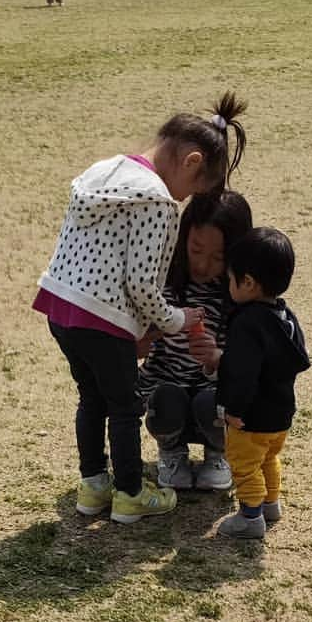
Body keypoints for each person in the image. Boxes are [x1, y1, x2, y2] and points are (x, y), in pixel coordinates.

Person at [34, 94, 248, 525]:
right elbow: (142, 284)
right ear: (190, 162)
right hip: (104, 316)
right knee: (125, 406)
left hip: (61, 308)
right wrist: (175, 319)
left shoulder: (105, 171)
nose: (186, 200)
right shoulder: (158, 202)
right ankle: (131, 492)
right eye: (193, 190)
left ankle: (93, 487)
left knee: (90, 397)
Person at [138, 191, 254, 491]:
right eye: (196, 250)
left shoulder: (238, 297)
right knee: (165, 399)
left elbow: (250, 366)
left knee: (209, 402)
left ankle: (218, 455)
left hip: (214, 402)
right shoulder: (161, 286)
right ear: (181, 240)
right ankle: (172, 452)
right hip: (166, 393)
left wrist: (216, 358)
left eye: (218, 257)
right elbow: (137, 346)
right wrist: (158, 330)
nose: (203, 265)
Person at [215, 227, 309, 539]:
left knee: (244, 465)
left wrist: (232, 408)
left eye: (231, 279)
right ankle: (271, 503)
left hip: (251, 417)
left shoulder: (247, 323)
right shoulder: (286, 318)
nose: (229, 285)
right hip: (281, 414)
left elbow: (242, 373)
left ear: (249, 283)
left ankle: (250, 516)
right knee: (269, 458)